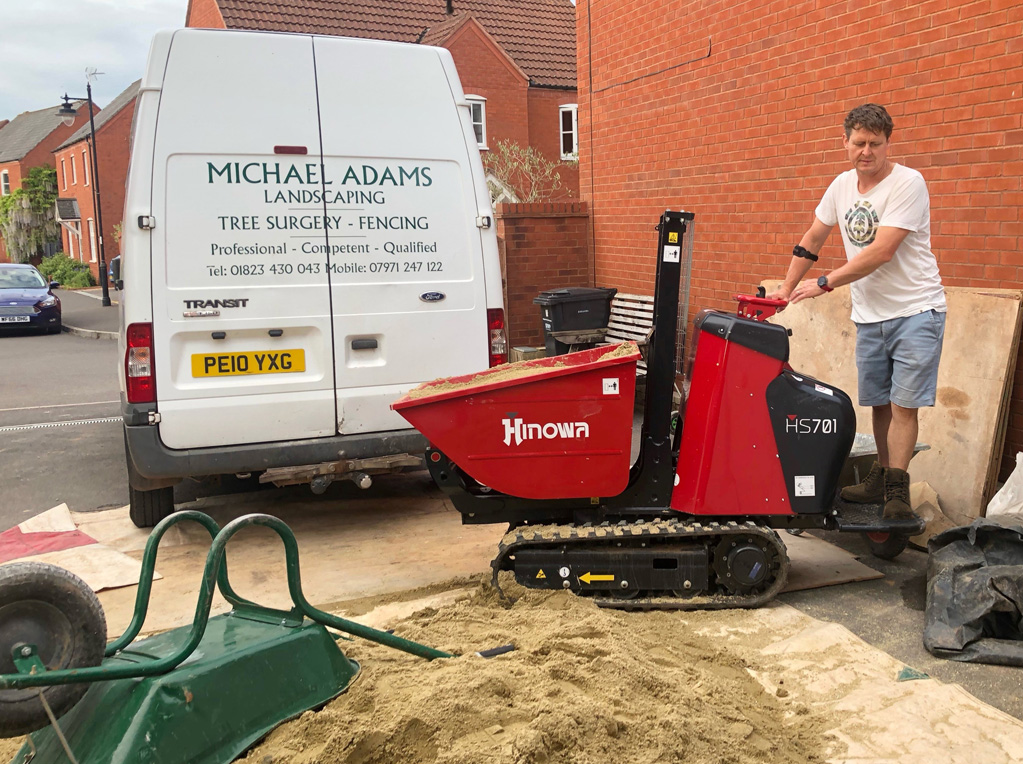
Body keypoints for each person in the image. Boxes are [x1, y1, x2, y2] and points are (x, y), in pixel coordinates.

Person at [768, 103, 946, 520]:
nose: (866, 151)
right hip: (870, 315)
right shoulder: (841, 186)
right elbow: (813, 237)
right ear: (844, 142)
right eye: (858, 143)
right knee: (880, 404)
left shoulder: (908, 183)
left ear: (888, 143)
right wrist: (786, 288)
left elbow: (882, 251)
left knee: (904, 405)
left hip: (915, 310)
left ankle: (897, 494)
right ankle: (882, 478)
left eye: (875, 144)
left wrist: (824, 283)